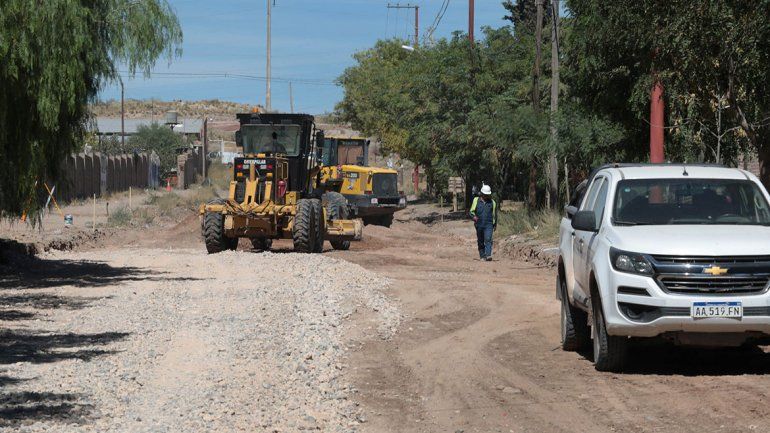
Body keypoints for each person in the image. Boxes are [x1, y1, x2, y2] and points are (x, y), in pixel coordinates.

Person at [469, 184, 497, 261]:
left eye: (487, 195)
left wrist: (495, 224)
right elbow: (471, 212)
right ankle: (482, 256)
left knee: (488, 239)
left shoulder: (492, 202)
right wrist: (474, 217)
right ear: (482, 193)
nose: (486, 196)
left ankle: (488, 255)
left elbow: (494, 215)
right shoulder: (476, 200)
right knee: (480, 240)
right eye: (485, 194)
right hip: (479, 224)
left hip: (489, 224)